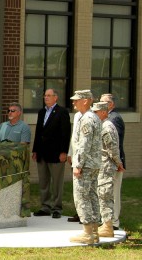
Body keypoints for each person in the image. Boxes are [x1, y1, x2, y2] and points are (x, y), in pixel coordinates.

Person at [68, 90, 102, 244]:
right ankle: (94, 232)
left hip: (86, 164)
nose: (74, 102)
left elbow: (84, 144)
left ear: (86, 101)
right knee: (92, 196)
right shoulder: (91, 117)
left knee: (82, 197)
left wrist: (78, 164)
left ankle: (88, 233)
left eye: (77, 100)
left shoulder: (87, 118)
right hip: (93, 163)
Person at [31, 89, 71, 219]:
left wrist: (64, 152)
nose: (46, 98)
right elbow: (38, 132)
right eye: (45, 96)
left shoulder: (62, 112)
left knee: (56, 183)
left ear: (56, 97)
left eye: (49, 96)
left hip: (56, 154)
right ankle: (45, 207)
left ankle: (57, 208)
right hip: (42, 153)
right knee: (43, 182)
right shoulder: (42, 112)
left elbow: (66, 133)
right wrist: (35, 150)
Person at [92, 101, 123, 238]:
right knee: (102, 194)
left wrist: (118, 162)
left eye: (96, 112)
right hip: (102, 165)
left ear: (104, 112)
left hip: (106, 166)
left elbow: (112, 149)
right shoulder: (102, 125)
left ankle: (107, 226)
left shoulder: (106, 127)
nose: (94, 114)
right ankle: (105, 224)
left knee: (105, 195)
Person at [99, 93, 125, 230]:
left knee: (113, 193)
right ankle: (107, 221)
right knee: (106, 193)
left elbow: (115, 144)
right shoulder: (106, 118)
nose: (100, 104)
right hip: (108, 163)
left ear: (111, 104)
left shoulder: (114, 119)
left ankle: (114, 222)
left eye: (104, 102)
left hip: (114, 164)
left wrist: (118, 162)